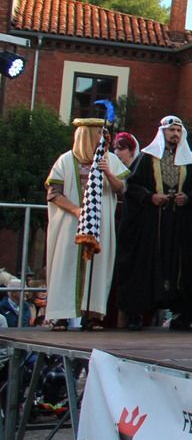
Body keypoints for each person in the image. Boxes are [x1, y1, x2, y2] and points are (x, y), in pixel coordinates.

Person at [119, 115, 192, 330]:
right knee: (146, 264)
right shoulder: (147, 158)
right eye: (171, 130)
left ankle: (181, 315)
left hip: (180, 224)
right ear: (162, 132)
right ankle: (137, 314)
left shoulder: (190, 161)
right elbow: (132, 186)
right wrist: (150, 197)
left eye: (178, 131)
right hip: (152, 223)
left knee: (180, 267)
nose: (175, 134)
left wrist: (188, 197)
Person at [45, 117, 127, 330]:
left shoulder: (109, 159)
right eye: (99, 133)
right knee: (66, 265)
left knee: (98, 266)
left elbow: (122, 189)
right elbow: (53, 193)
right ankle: (60, 316)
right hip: (69, 225)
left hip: (99, 224)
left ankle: (93, 315)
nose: (103, 137)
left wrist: (108, 171)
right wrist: (76, 210)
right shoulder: (65, 160)